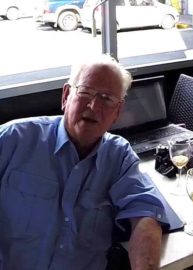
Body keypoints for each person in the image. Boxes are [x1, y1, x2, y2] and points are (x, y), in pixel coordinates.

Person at [0, 55, 169, 270]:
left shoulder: (119, 156)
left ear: (118, 112)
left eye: (107, 99)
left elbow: (146, 213)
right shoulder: (13, 139)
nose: (93, 106)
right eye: (86, 92)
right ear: (66, 96)